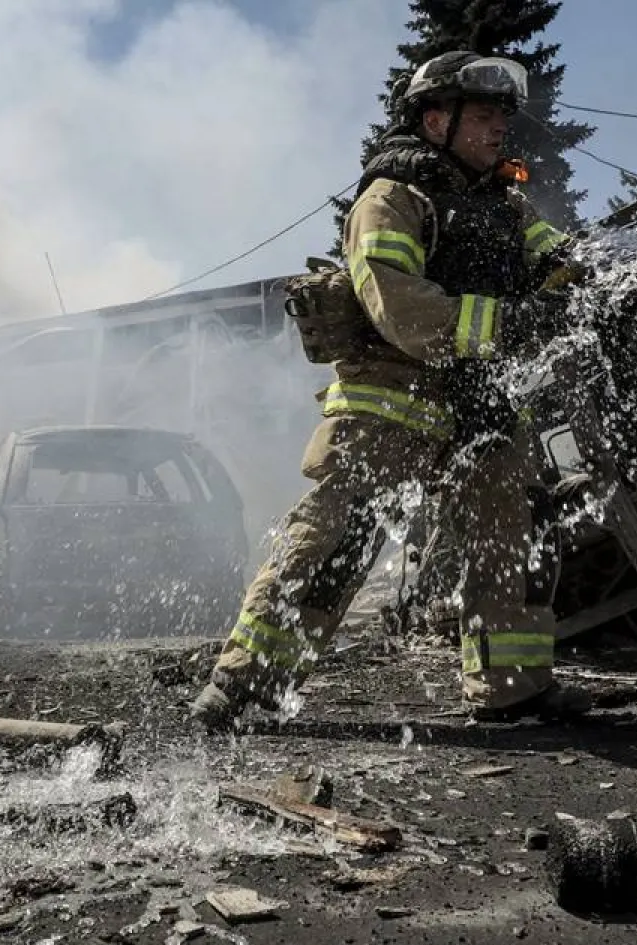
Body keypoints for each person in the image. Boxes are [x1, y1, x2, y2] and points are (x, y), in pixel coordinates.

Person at [188, 50, 593, 731]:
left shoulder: (507, 205)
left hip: (481, 402)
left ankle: (513, 690)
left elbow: (565, 261)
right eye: (484, 116)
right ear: (436, 120)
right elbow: (401, 308)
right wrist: (516, 324)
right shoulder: (392, 199)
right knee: (333, 541)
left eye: (503, 117)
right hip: (394, 400)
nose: (499, 130)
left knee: (510, 534)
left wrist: (590, 282)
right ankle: (244, 685)